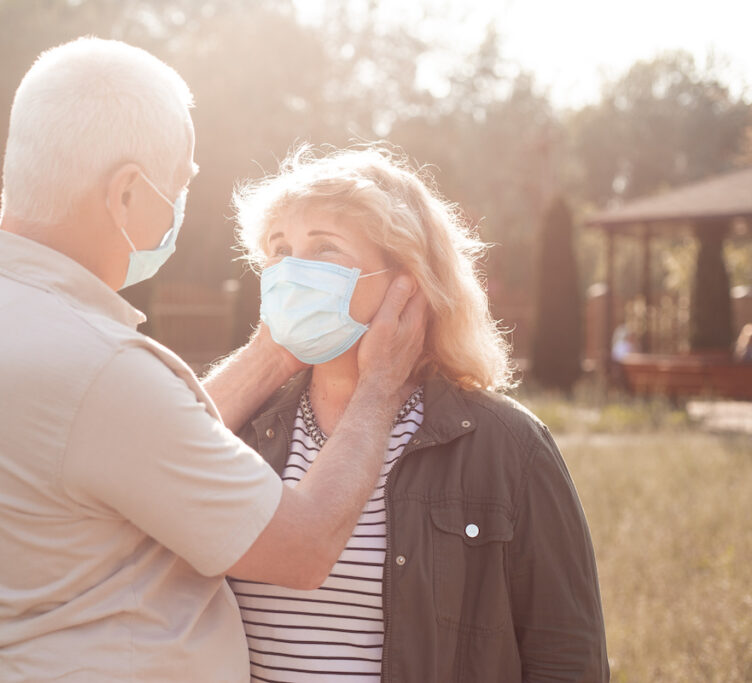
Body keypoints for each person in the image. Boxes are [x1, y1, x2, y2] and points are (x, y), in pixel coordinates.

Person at [0, 39, 424, 681]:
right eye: (179, 186)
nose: (180, 207)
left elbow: (129, 449)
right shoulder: (93, 366)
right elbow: (303, 546)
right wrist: (380, 388)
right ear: (125, 196)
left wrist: (268, 355)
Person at [227, 145, 610, 682]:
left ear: (407, 281)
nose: (293, 271)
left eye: (326, 248)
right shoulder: (242, 427)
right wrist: (265, 358)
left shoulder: (509, 445)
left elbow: (567, 656)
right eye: (279, 248)